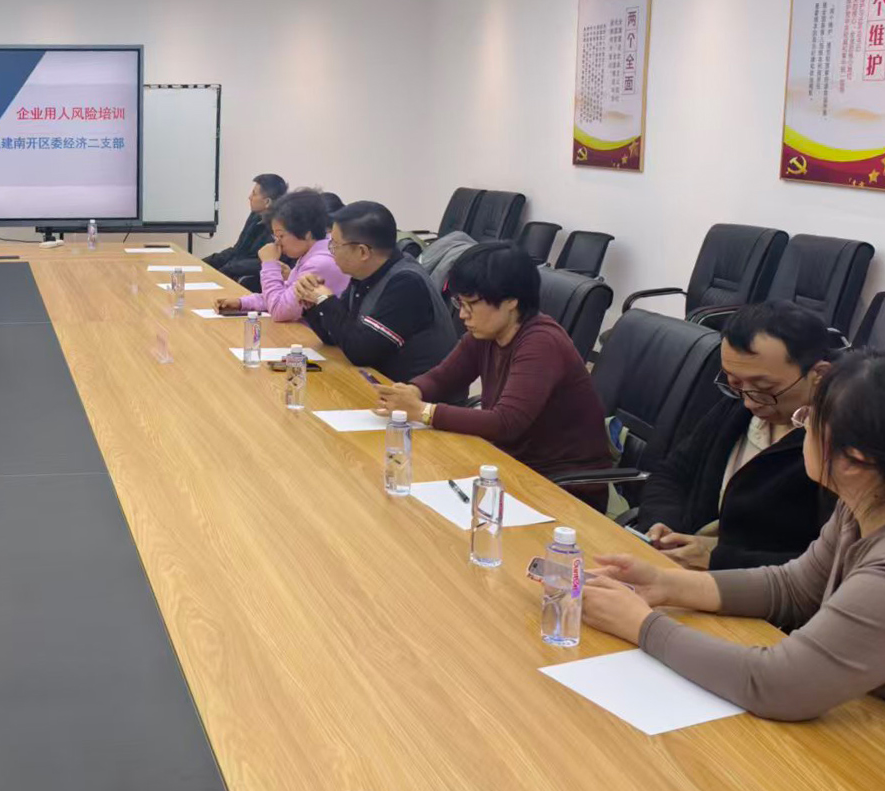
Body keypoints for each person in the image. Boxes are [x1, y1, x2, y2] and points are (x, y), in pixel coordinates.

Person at [584, 349, 885, 720]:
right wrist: (665, 584)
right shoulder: (860, 504)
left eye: (809, 419)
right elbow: (795, 587)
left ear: (854, 460)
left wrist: (641, 625)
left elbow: (778, 685)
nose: (801, 426)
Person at [373, 242, 612, 508]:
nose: (462, 314)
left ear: (511, 301)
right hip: (508, 466)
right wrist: (412, 392)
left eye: (471, 304)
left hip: (561, 488)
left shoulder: (541, 343)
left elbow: (506, 423)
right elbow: (444, 378)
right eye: (459, 302)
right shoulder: (487, 332)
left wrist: (423, 411)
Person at [635, 302, 840, 570]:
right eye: (734, 383)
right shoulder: (736, 407)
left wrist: (717, 559)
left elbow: (833, 564)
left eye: (765, 388)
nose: (749, 402)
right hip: (682, 567)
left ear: (819, 374)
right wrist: (663, 523)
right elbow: (672, 474)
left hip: (755, 586)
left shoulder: (842, 444)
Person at [298, 201, 457, 385]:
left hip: (416, 396)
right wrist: (313, 303)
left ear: (362, 252)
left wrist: (325, 300)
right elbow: (337, 336)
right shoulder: (364, 274)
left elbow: (362, 352)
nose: (331, 251)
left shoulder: (406, 284)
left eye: (335, 244)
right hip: (379, 384)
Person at [211, 190, 348, 323]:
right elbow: (283, 295)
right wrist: (242, 303)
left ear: (307, 233)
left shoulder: (319, 263)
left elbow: (279, 310)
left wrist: (269, 264)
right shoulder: (311, 253)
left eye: (281, 235)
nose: (277, 243)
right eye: (275, 236)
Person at [203, 174, 286, 284]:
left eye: (254, 194)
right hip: (234, 270)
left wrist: (224, 271)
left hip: (250, 280)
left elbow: (264, 262)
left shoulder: (280, 227)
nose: (249, 197)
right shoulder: (255, 215)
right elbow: (237, 250)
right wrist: (203, 263)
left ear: (267, 202)